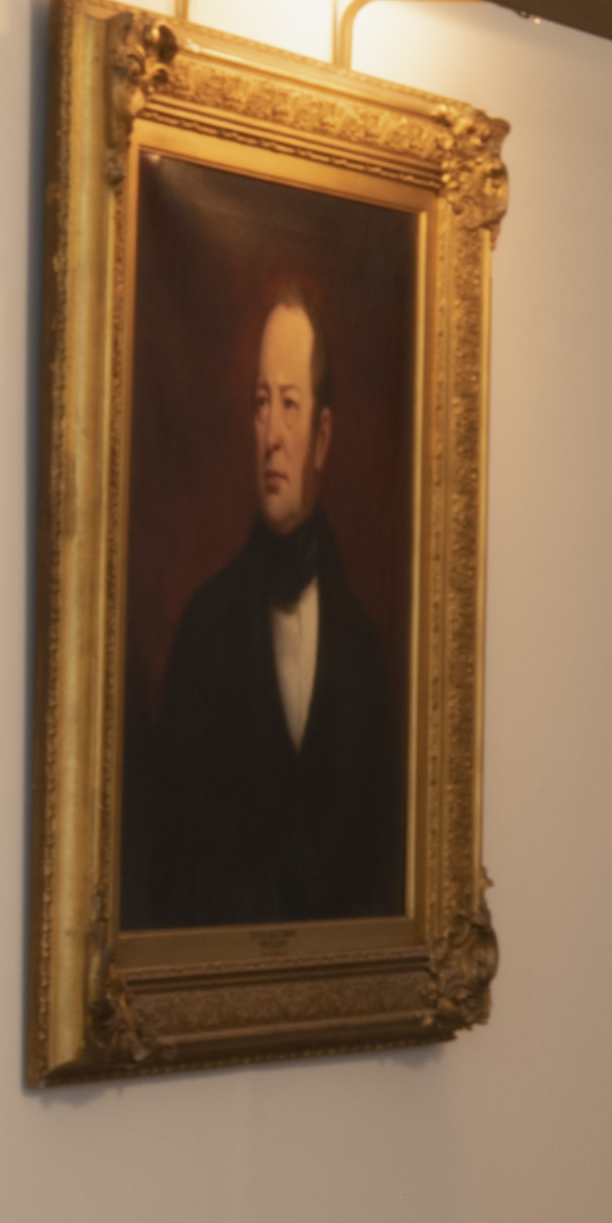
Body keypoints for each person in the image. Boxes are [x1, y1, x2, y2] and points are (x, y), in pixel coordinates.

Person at [126, 280, 404, 927]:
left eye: (290, 405)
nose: (272, 434)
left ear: (324, 437)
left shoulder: (365, 655)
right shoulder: (202, 633)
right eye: (260, 404)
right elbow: (169, 884)